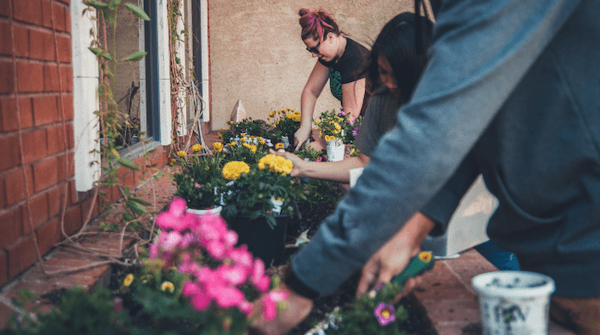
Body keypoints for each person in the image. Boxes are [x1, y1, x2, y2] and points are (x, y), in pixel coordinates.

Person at [251, 0, 600, 334]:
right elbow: (466, 130)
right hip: (550, 245)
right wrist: (413, 229)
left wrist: (304, 283)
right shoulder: (390, 89)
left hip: (581, 242)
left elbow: (440, 128)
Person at [293, 8, 370, 151]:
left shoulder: (354, 60)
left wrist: (322, 143)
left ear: (330, 37)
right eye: (310, 50)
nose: (314, 55)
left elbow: (350, 116)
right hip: (362, 127)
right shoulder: (330, 56)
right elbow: (311, 91)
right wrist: (305, 126)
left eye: (315, 49)